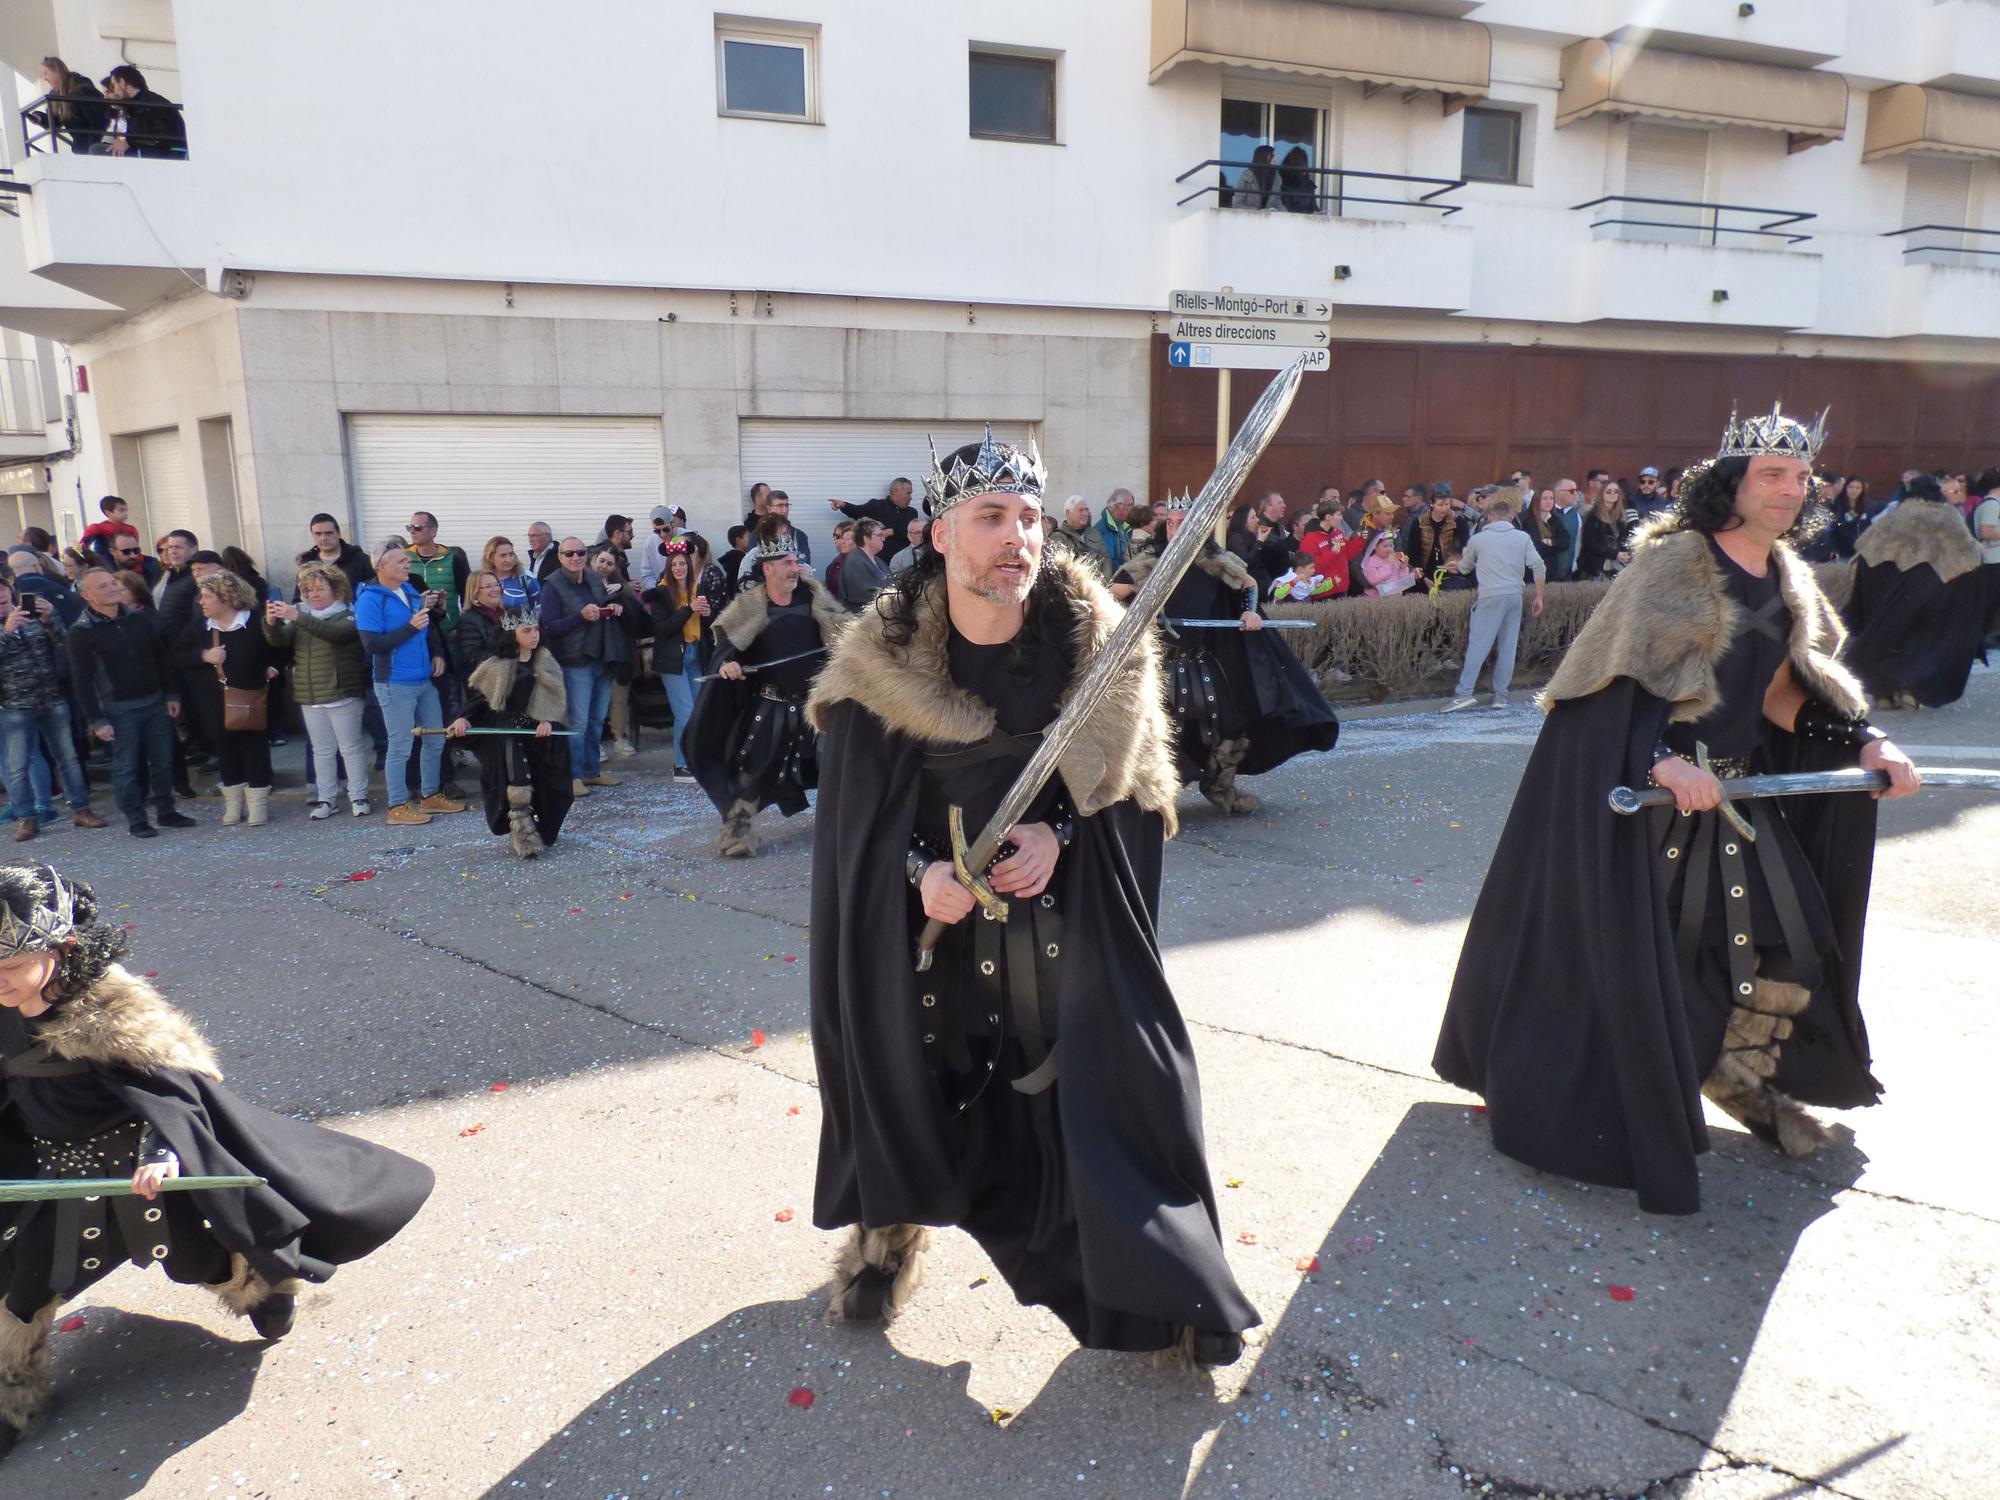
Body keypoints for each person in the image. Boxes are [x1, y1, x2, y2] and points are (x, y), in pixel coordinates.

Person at [804, 431, 1257, 1367]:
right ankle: (889, 1234)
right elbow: (851, 837)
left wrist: (1066, 838)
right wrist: (916, 874)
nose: (1017, 537)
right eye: (990, 518)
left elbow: (1138, 799)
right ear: (940, 535)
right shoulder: (878, 668)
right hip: (935, 944)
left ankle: (1157, 1280)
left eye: (1029, 518)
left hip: (1062, 937)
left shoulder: (1102, 650)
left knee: (1118, 1091)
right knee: (904, 1077)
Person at [1433, 405, 1922, 1216]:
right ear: (1730, 482)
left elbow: (1783, 693)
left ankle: (1746, 1084)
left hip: (1735, 796)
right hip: (1653, 807)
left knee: (1789, 945)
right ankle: (1639, 1103)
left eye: (1802, 478)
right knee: (1641, 966)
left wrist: (1867, 742)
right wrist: (1654, 759)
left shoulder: (1787, 577)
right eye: (1773, 475)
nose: (1792, 491)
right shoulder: (1671, 568)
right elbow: (1599, 693)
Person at [0, 865, 433, 1459]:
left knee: (196, 1258)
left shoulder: (111, 1013)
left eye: (10, 968)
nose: (1, 983)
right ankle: (14, 1403)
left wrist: (163, 1153)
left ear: (64, 947)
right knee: (26, 1288)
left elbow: (174, 1096)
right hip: (58, 1181)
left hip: (140, 1181)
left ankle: (261, 1287)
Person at [1113, 499, 1339, 815]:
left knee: (1231, 724)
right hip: (1158, 662)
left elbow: (1248, 584)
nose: (1176, 528)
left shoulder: (1215, 559)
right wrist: (1137, 613)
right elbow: (1111, 594)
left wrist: (1249, 612)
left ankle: (1220, 787)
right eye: (1172, 522)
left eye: (1184, 522)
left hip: (1203, 659)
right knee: (1155, 730)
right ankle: (1148, 796)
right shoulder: (1150, 560)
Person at [683, 518, 846, 857]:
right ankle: (739, 834)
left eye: (794, 561)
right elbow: (727, 646)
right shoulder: (751, 605)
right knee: (752, 773)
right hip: (771, 705)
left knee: (838, 766)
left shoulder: (813, 596)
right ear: (767, 569)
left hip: (817, 705)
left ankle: (846, 829)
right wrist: (728, 664)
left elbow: (842, 629)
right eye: (786, 563)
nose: (794, 567)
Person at [1841, 473, 2000, 708]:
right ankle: (1911, 688)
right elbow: (1969, 555)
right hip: (1935, 590)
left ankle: (1883, 692)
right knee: (1924, 641)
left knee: (1887, 635)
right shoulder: (1947, 517)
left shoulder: (1894, 517)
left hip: (1886, 590)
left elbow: (1866, 550)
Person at [65, 570, 195, 839]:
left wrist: (171, 693)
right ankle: (136, 819)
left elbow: (161, 657)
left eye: (114, 583)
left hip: (155, 700)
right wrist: (96, 720)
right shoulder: (81, 632)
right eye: (104, 586)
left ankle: (167, 812)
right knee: (126, 768)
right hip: (118, 709)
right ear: (87, 595)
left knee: (163, 761)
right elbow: (82, 681)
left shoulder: (139, 618)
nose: (113, 588)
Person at [447, 610, 573, 859]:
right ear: (511, 634)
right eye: (526, 631)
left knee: (548, 784)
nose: (534, 635)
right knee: (518, 781)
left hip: (540, 734)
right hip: (509, 733)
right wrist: (463, 718)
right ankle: (523, 837)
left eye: (535, 629)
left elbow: (555, 697)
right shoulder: (497, 665)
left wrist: (547, 719)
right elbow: (481, 700)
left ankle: (544, 828)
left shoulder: (546, 660)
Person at [355, 542, 465, 826]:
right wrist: (410, 627)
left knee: (435, 738)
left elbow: (426, 629)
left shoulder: (409, 591)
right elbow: (372, 644)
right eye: (401, 561)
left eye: (407, 560)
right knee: (401, 744)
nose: (408, 564)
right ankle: (397, 805)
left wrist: (437, 652)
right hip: (394, 682)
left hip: (423, 679)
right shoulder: (370, 600)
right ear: (382, 566)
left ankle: (429, 796)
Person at [264, 563, 372, 820]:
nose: (313, 594)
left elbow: (334, 634)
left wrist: (297, 616)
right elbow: (280, 641)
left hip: (342, 692)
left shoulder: (347, 615)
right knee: (321, 750)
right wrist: (270, 623)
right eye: (308, 590)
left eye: (320, 589)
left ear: (336, 590)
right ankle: (326, 799)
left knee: (351, 748)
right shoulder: (301, 615)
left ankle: (359, 795)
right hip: (310, 695)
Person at [0, 581, 104, 841]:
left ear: (10, 592)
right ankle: (27, 818)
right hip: (15, 705)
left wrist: (49, 620)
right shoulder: (9, 624)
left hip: (52, 698)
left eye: (2, 590)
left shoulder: (31, 615)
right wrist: (7, 632)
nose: (0, 596)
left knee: (68, 758)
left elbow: (64, 645)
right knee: (18, 767)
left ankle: (81, 810)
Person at [181, 572, 281, 828]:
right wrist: (204, 656)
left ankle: (258, 805)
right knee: (224, 750)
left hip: (251, 697)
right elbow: (176, 656)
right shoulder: (199, 627)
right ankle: (234, 805)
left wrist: (274, 668)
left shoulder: (257, 623)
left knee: (255, 749)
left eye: (207, 597)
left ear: (226, 599)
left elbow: (281, 650)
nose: (201, 602)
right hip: (212, 701)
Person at [1442, 487, 1546, 711]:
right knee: (1508, 646)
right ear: (1510, 517)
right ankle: (1501, 695)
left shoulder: (1479, 539)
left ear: (1489, 517)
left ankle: (1464, 693)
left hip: (1490, 594)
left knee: (1479, 644)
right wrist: (1539, 596)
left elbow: (1465, 567)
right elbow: (1538, 565)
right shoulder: (1522, 537)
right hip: (1515, 594)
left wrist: (1455, 566)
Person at [539, 537, 620, 797]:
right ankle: (573, 775)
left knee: (597, 720)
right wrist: (580, 617)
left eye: (580, 553)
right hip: (574, 662)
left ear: (587, 555)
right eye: (569, 553)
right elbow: (549, 627)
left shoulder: (593, 578)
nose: (575, 558)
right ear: (560, 556)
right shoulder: (552, 585)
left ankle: (591, 771)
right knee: (579, 722)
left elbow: (601, 606)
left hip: (600, 657)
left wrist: (613, 607)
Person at [646, 538, 719, 779]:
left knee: (698, 711)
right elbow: (662, 628)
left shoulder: (698, 589)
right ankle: (680, 763)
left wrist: (709, 615)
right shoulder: (660, 594)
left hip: (695, 654)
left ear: (689, 565)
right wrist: (688, 609)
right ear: (668, 567)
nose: (678, 568)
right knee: (684, 712)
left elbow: (710, 625)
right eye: (674, 564)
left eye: (682, 564)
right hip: (672, 659)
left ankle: (695, 758)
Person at [590, 542, 642, 760]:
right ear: (592, 561)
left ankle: (619, 737)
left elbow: (638, 616)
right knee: (594, 698)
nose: (604, 566)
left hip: (619, 648)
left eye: (609, 563)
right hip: (593, 648)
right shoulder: (583, 583)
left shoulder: (621, 586)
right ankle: (596, 743)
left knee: (619, 696)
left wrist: (623, 594)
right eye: (601, 561)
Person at [99, 65, 185, 158]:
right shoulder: (141, 102)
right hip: (150, 152)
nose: (114, 91)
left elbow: (166, 136)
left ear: (122, 83)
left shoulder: (150, 104)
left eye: (114, 85)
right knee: (99, 149)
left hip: (162, 154)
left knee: (98, 150)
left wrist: (129, 142)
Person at [829, 478, 920, 565]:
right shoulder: (877, 506)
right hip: (878, 564)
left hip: (903, 564)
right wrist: (843, 505)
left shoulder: (912, 513)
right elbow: (857, 511)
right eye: (908, 493)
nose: (910, 497)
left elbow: (910, 533)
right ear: (896, 491)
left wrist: (890, 531)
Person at [29, 56, 108, 153]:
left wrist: (94, 143)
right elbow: (55, 122)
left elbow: (98, 117)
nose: (45, 78)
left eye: (46, 73)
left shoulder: (80, 88)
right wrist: (40, 118)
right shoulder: (55, 95)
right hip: (80, 146)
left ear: (56, 72)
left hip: (92, 144)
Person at [1397, 489, 1467, 590]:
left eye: (1447, 504)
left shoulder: (1458, 521)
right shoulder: (1419, 523)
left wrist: (1456, 561)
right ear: (1431, 504)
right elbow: (1413, 554)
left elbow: (1465, 546)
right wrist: (1423, 578)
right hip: (1425, 572)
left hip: (1449, 571)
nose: (1444, 509)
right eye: (1440, 505)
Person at [295, 513, 374, 594]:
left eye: (329, 533)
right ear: (312, 535)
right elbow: (298, 598)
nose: (323, 538)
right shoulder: (307, 562)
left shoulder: (362, 561)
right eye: (318, 534)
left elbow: (373, 594)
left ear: (339, 533)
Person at [455, 571, 511, 680]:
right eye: (488, 586)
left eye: (497, 584)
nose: (495, 589)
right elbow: (473, 656)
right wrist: (509, 654)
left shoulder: (508, 613)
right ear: (475, 592)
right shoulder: (468, 620)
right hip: (486, 682)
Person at [1575, 480, 1634, 580]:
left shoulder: (1620, 517)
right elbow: (1590, 544)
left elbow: (1623, 540)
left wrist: (1624, 553)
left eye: (1616, 492)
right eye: (1608, 491)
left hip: (1616, 565)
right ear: (1602, 494)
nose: (1612, 494)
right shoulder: (1592, 516)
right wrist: (1615, 554)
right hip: (1594, 568)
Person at [1048, 496, 1110, 579]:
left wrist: (1104, 582)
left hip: (1098, 586)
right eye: (1081, 510)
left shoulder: (1094, 533)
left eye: (1086, 510)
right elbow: (1059, 568)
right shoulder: (1058, 537)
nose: (1085, 513)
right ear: (1068, 513)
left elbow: (1105, 558)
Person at [839, 519, 891, 610]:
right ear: (866, 538)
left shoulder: (878, 561)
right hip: (864, 619)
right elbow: (866, 594)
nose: (883, 538)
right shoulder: (855, 562)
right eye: (879, 535)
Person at [79, 495, 139, 569]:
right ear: (108, 513)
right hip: (104, 559)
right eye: (121, 510)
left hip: (126, 559)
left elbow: (135, 547)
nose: (125, 513)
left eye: (126, 510)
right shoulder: (98, 528)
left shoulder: (130, 529)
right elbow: (84, 545)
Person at [1828, 477, 1871, 560]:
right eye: (1851, 487)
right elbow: (1834, 527)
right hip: (1843, 553)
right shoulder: (1837, 505)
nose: (1854, 490)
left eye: (1858, 488)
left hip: (1862, 553)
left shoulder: (1867, 506)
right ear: (1845, 488)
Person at [1268, 551, 1334, 602]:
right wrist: (1293, 582)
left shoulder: (1309, 581)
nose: (1314, 570)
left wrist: (1330, 583)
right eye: (1311, 568)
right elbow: (1277, 595)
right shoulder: (1286, 581)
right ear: (1300, 569)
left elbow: (1313, 591)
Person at [1232, 143, 1278, 209]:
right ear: (1265, 157)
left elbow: (1278, 202)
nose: (1275, 159)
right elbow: (1237, 205)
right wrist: (1257, 212)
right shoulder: (1247, 177)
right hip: (1250, 218)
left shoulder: (1276, 177)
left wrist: (1286, 214)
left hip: (1269, 218)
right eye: (1272, 156)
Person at [1277, 144, 1317, 212]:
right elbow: (1287, 208)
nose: (1305, 169)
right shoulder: (1282, 184)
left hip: (1309, 221)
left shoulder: (1309, 185)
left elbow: (1314, 206)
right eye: (1303, 165)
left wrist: (1317, 212)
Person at [717, 524, 751, 603]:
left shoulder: (731, 558)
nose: (750, 539)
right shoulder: (741, 559)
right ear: (738, 540)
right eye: (748, 537)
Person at [824, 519, 856, 600]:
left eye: (847, 538)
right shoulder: (833, 566)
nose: (842, 542)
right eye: (838, 537)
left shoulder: (866, 562)